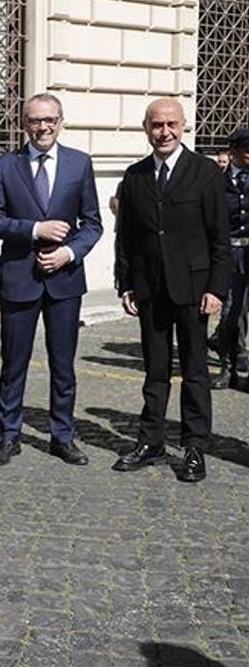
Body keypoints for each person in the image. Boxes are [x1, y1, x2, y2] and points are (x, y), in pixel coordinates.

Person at [0, 93, 103, 467]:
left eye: (49, 119)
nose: (42, 127)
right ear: (24, 124)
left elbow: (93, 224)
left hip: (65, 280)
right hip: (20, 278)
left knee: (63, 364)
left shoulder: (79, 163)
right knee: (13, 363)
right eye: (35, 120)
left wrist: (69, 252)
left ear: (60, 122)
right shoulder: (5, 165)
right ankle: (9, 436)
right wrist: (36, 229)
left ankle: (62, 436)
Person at [112, 98, 229, 483]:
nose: (164, 132)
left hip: (194, 289)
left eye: (171, 125)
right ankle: (151, 442)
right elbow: (126, 237)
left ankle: (194, 447)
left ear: (183, 127)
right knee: (155, 371)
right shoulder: (135, 175)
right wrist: (127, 283)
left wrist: (217, 288)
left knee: (195, 371)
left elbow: (219, 237)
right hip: (150, 289)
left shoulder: (205, 172)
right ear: (146, 128)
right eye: (157, 125)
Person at [210, 128, 249, 391]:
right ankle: (227, 368)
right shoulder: (217, 182)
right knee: (230, 315)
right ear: (233, 151)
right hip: (230, 257)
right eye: (246, 149)